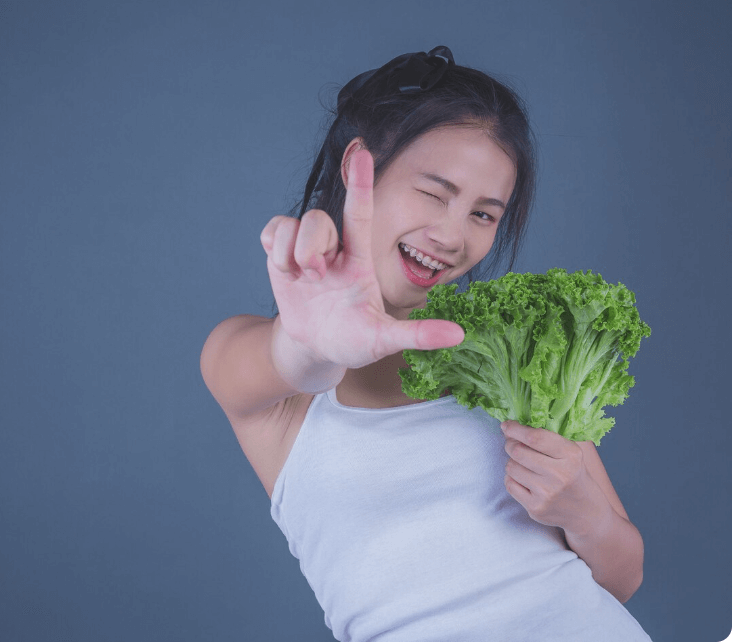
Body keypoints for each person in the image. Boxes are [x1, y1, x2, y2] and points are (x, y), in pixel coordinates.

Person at [199, 47, 650, 642]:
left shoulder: (514, 355)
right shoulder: (270, 385)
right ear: (359, 168)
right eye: (435, 193)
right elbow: (281, 362)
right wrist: (311, 345)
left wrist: (584, 514)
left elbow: (622, 578)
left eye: (484, 215)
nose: (452, 237)